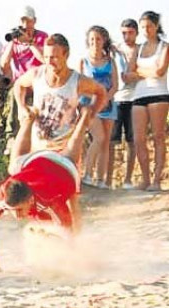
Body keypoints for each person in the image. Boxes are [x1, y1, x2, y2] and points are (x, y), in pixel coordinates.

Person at [0, 104, 95, 272]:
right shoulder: (2, 198)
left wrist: (74, 258)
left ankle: (84, 119)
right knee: (13, 166)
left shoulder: (49, 201)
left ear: (31, 199)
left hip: (63, 168)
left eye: (20, 210)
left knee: (73, 206)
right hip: (34, 161)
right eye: (13, 211)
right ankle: (28, 120)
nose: (17, 216)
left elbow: (67, 231)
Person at [13, 34, 107, 154]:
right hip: (36, 147)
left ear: (66, 55)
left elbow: (101, 92)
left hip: (64, 150)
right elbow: (18, 85)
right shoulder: (36, 74)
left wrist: (91, 114)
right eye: (46, 57)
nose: (49, 62)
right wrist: (21, 107)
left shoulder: (77, 81)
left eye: (54, 57)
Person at [130, 11, 169, 191]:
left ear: (156, 27)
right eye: (143, 27)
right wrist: (144, 73)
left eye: (149, 26)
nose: (146, 30)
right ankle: (145, 179)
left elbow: (160, 72)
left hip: (158, 94)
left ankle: (157, 180)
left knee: (158, 136)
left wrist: (139, 73)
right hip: (139, 95)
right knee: (138, 139)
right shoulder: (138, 49)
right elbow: (127, 75)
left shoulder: (164, 46)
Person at [79, 26, 119, 189]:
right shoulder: (84, 61)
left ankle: (101, 179)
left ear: (104, 41)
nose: (95, 42)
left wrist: (105, 99)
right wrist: (96, 100)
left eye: (98, 39)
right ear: (88, 42)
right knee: (98, 137)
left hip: (108, 105)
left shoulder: (111, 61)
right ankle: (87, 174)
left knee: (105, 142)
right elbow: (80, 86)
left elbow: (115, 85)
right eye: (92, 39)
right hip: (89, 105)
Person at [113, 19, 140, 189]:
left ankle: (128, 179)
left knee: (132, 141)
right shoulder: (115, 49)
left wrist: (135, 75)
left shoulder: (141, 50)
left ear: (136, 33)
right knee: (111, 141)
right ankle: (108, 178)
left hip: (135, 98)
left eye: (130, 32)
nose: (127, 36)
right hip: (116, 98)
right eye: (124, 32)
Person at [0, 6, 48, 83]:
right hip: (21, 83)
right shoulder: (14, 42)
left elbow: (45, 59)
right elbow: (4, 65)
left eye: (28, 21)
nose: (25, 25)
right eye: (23, 21)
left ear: (34, 21)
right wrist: (12, 41)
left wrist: (29, 42)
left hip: (39, 81)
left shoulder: (42, 37)